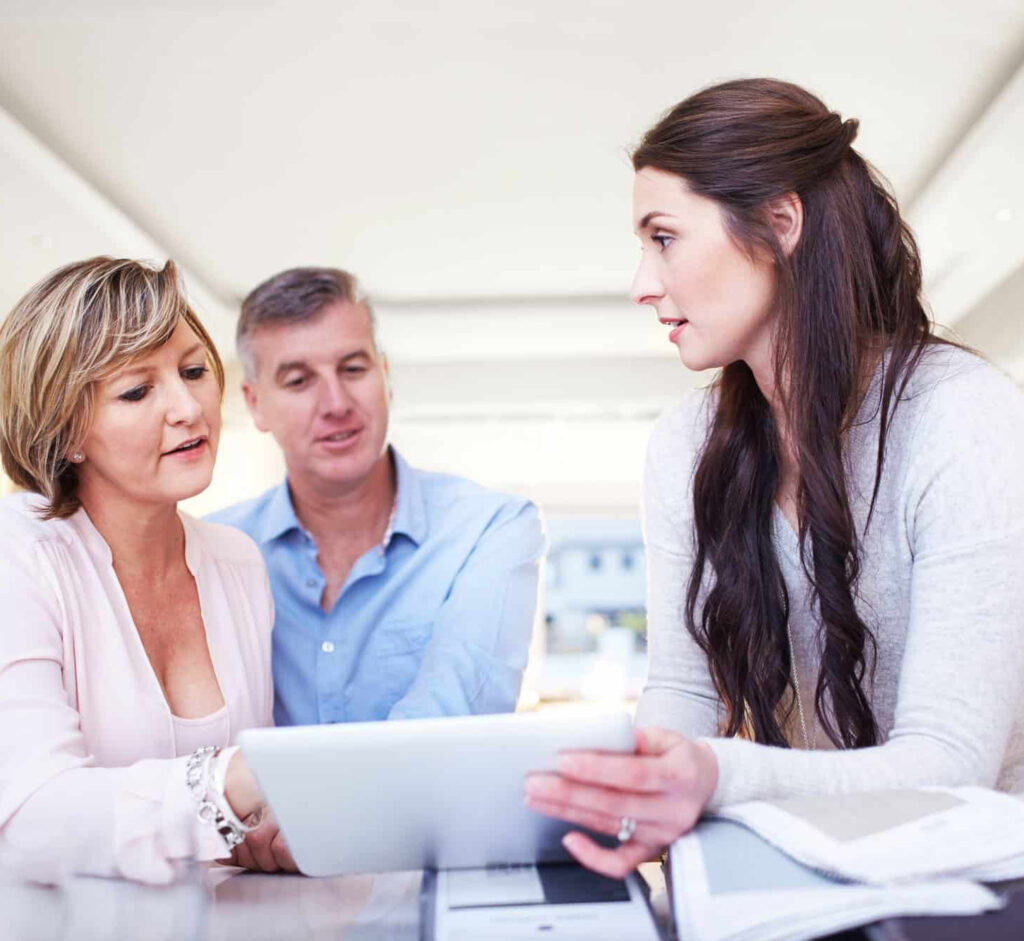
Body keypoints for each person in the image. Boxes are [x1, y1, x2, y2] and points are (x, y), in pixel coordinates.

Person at [525, 78, 1024, 878]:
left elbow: (949, 762)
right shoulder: (687, 445)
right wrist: (640, 783)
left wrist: (721, 776)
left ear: (780, 224)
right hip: (813, 873)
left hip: (982, 887)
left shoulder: (962, 418)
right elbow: (682, 693)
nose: (641, 284)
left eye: (663, 237)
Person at [0, 257, 289, 884]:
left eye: (192, 371)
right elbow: (30, 822)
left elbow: (232, 826)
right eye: (137, 390)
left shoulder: (238, 563)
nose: (188, 407)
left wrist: (266, 822)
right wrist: (238, 781)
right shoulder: (17, 556)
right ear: (66, 426)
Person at [208, 267, 544, 726]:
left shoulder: (488, 529)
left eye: (353, 369)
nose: (336, 404)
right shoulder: (212, 552)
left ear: (385, 375)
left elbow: (453, 717)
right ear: (255, 404)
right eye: (298, 381)